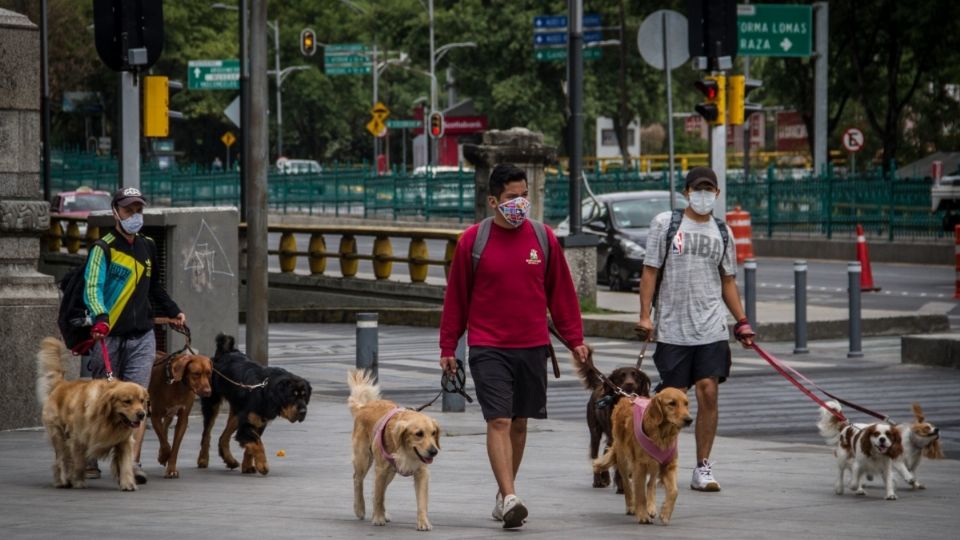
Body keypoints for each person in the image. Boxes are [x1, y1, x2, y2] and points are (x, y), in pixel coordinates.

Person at [439, 163, 590, 529]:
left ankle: (503, 494)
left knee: (520, 423)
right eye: (511, 197)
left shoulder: (543, 239)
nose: (520, 203)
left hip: (533, 346)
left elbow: (562, 294)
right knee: (500, 419)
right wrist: (448, 347)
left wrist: (576, 340)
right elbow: (456, 298)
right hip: (489, 346)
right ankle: (509, 496)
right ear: (493, 200)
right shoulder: (472, 242)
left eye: (524, 195)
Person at [636, 166, 755, 493]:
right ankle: (661, 457)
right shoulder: (665, 224)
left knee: (708, 390)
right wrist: (645, 316)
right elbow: (649, 272)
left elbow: (728, 280)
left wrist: (741, 321)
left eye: (709, 190)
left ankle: (702, 466)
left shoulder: (723, 232)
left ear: (716, 194)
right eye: (698, 189)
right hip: (673, 328)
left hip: (711, 328)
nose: (704, 195)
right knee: (670, 401)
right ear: (687, 192)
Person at [83, 186, 187, 484]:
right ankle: (92, 455)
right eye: (129, 210)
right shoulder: (102, 248)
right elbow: (92, 287)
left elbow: (154, 288)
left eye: (139, 209)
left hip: (142, 335)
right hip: (109, 336)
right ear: (115, 211)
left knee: (139, 400)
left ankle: (132, 462)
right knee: (103, 397)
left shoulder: (147, 246)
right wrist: (101, 318)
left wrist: (174, 310)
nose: (134, 215)